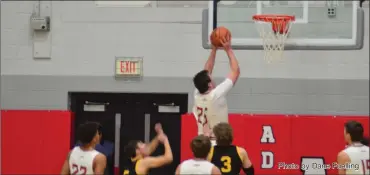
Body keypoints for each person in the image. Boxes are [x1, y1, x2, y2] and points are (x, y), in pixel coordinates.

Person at [192, 36, 240, 146]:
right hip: (218, 143)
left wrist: (214, 49)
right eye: (211, 77)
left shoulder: (197, 94)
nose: (212, 77)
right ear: (209, 84)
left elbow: (206, 70)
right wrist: (228, 50)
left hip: (203, 143)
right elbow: (236, 71)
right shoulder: (216, 94)